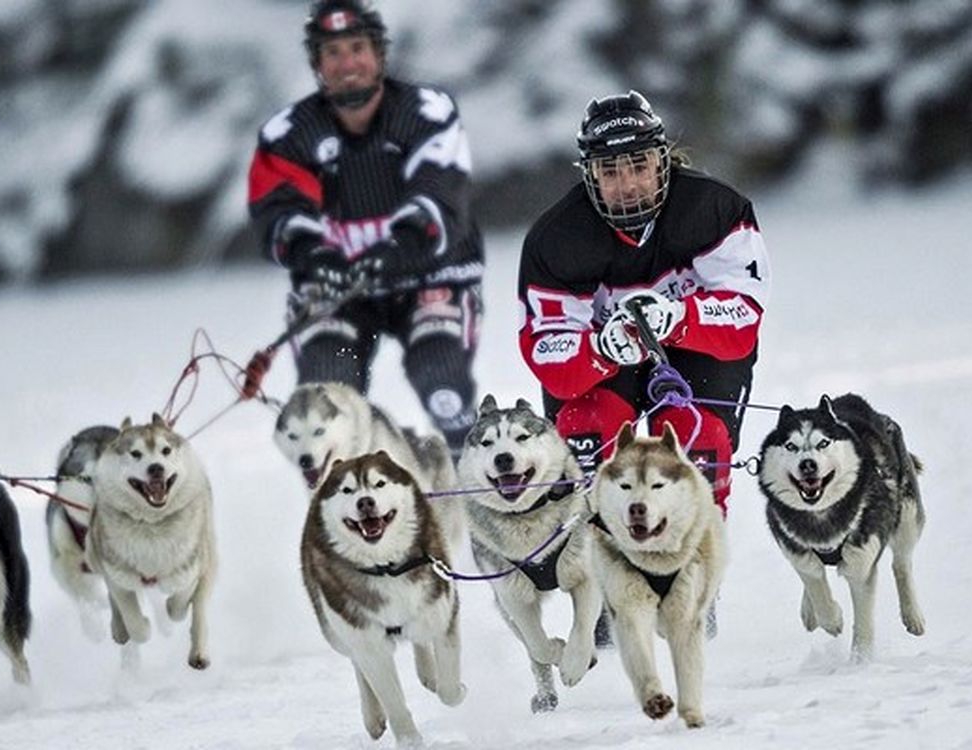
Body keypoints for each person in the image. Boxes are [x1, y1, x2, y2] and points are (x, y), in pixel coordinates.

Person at [517, 91, 771, 639]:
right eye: (609, 171)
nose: (627, 183)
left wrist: (679, 317)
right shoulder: (555, 240)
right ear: (588, 175)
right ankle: (606, 590)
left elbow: (743, 318)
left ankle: (693, 582)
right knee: (592, 437)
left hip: (694, 344)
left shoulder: (714, 209)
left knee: (697, 439)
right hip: (603, 358)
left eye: (639, 165)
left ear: (663, 160)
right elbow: (549, 353)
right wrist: (600, 350)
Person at [247, 0, 484, 457]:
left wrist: (401, 244)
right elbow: (276, 210)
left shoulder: (426, 112)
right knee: (325, 401)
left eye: (357, 48)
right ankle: (350, 490)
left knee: (443, 381)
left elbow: (440, 188)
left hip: (429, 274)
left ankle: (471, 475)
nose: (347, 62)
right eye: (332, 52)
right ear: (317, 64)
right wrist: (313, 253)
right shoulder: (288, 134)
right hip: (338, 287)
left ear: (379, 53)